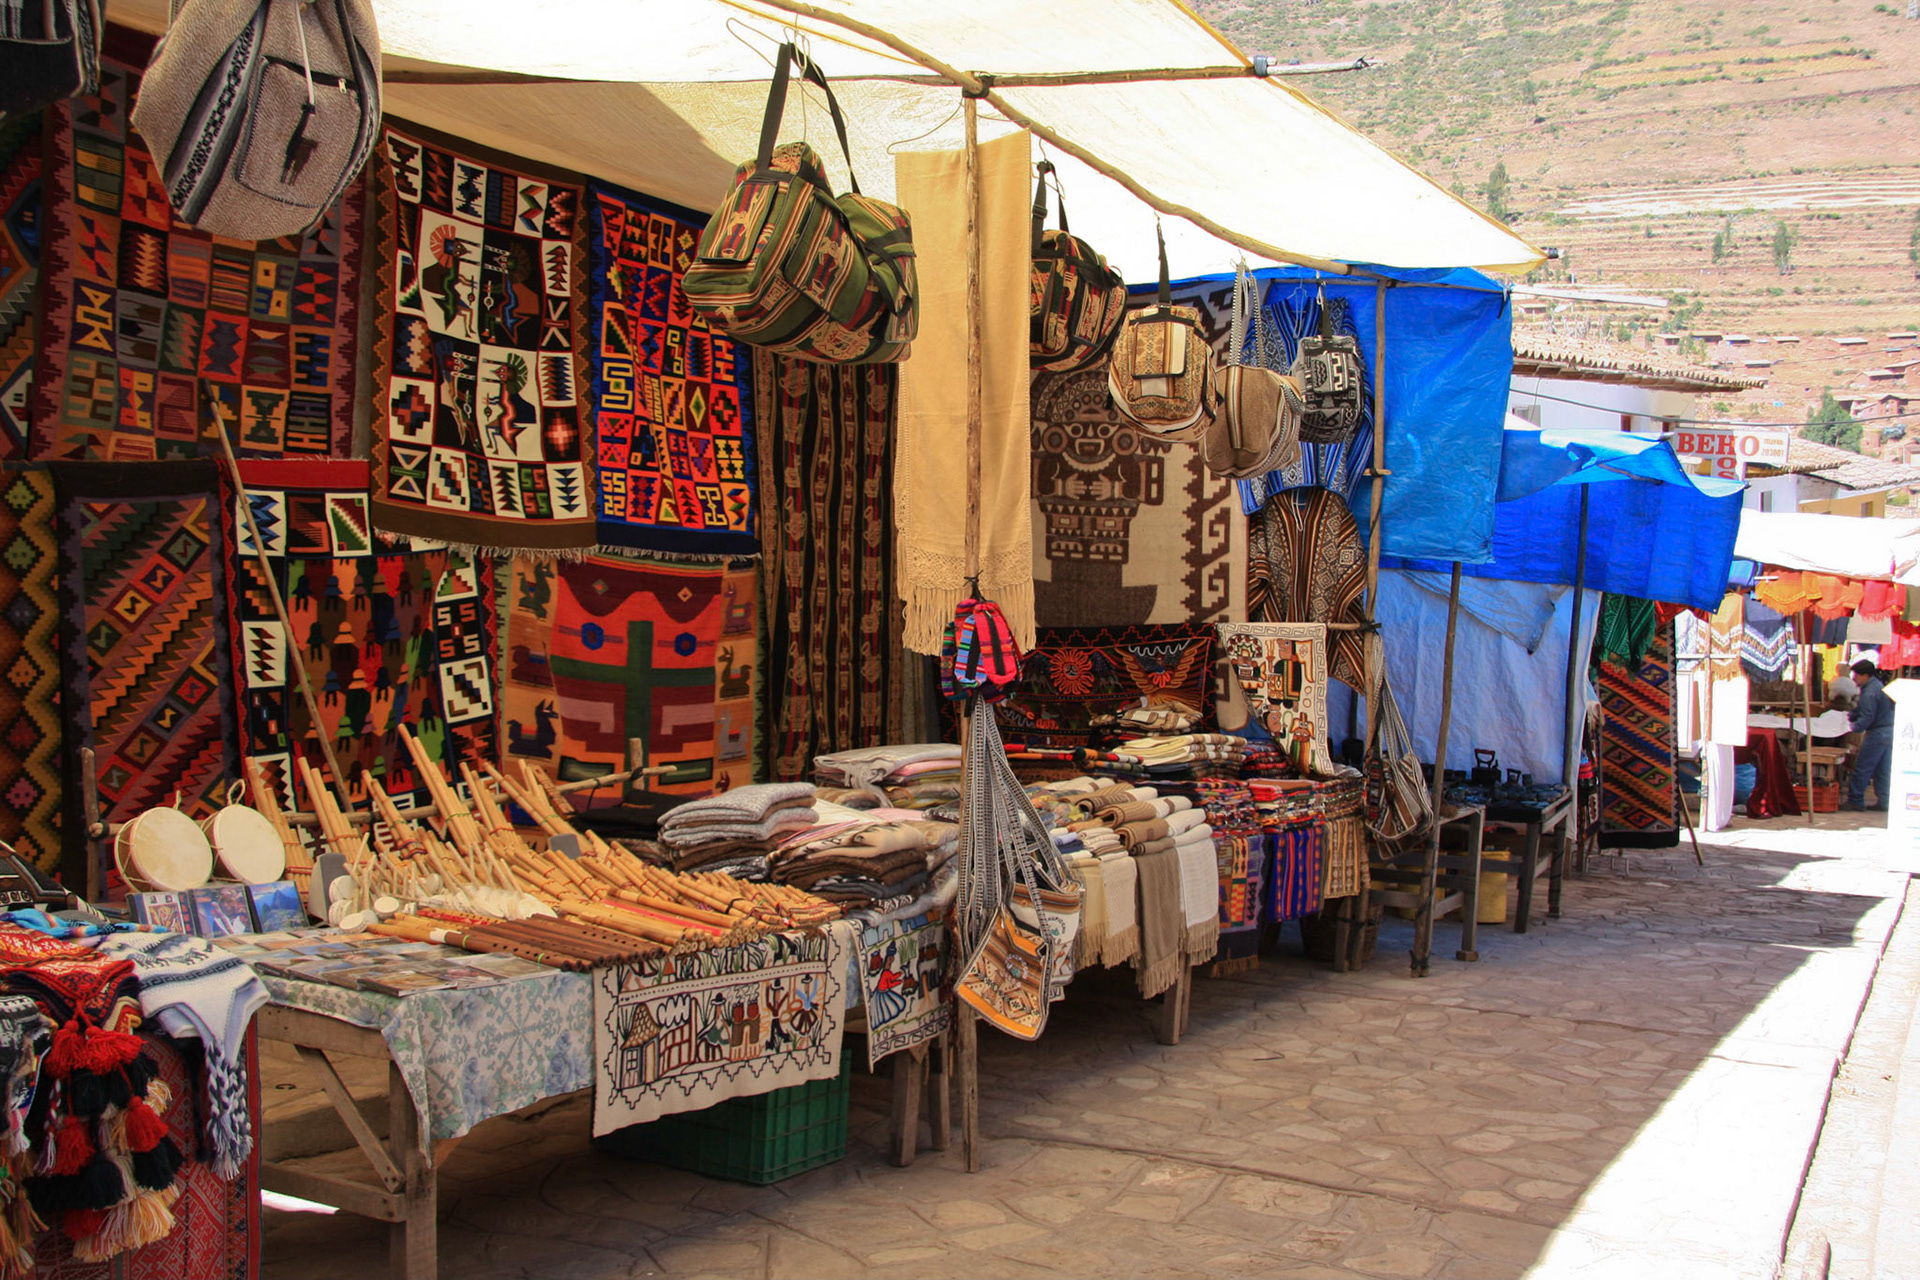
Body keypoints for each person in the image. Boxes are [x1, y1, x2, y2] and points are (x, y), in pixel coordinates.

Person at [1842, 659, 1894, 811]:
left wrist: (1851, 727)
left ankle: (1856, 800)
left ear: (1865, 675)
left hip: (1878, 733)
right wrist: (1850, 715)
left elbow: (1867, 716)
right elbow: (1863, 711)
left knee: (1863, 767)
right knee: (1882, 769)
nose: (1854, 678)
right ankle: (1885, 801)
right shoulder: (1876, 686)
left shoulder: (1870, 692)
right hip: (1888, 731)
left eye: (1857, 675)